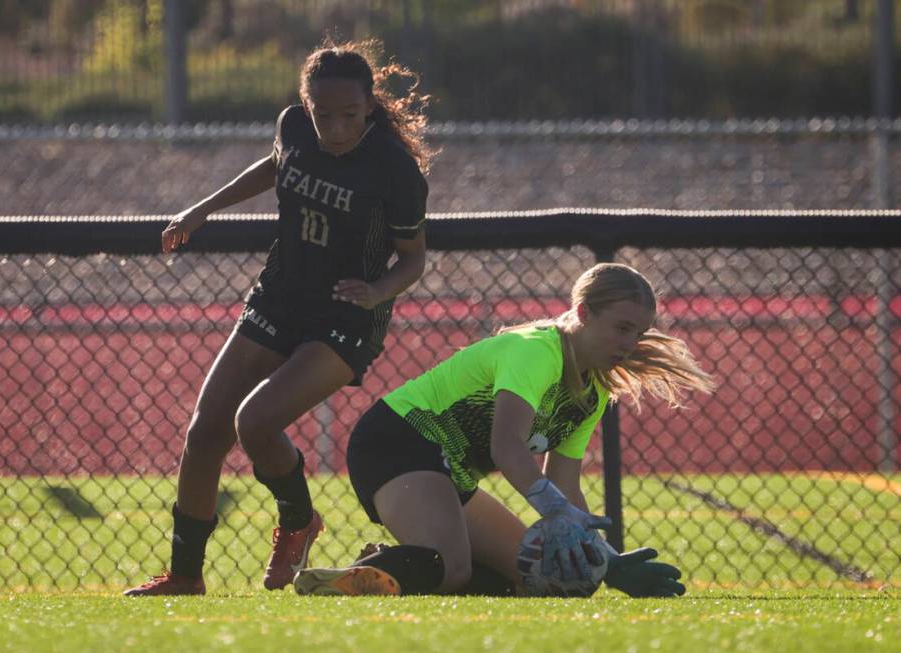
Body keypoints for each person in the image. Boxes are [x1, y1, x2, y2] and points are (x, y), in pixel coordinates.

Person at [125, 39, 434, 596]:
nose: (334, 127)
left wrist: (376, 291)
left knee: (256, 422)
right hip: (278, 298)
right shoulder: (293, 126)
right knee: (205, 432)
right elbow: (276, 164)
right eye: (323, 114)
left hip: (345, 315)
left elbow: (412, 260)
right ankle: (185, 576)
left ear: (369, 107)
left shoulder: (395, 168)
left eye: (348, 115)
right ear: (305, 104)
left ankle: (298, 521)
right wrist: (202, 209)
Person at [293, 263, 716, 597]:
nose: (629, 343)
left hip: (449, 469)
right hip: (398, 440)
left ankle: (395, 566)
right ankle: (373, 574)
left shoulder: (594, 393)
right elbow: (507, 449)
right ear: (583, 313)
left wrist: (607, 562)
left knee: (545, 580)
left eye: (638, 334)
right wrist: (560, 516)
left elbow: (563, 483)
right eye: (622, 328)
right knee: (453, 567)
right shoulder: (537, 352)